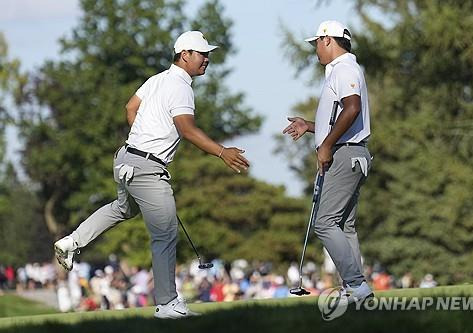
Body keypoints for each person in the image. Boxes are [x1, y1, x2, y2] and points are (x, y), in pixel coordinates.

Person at [54, 30, 250, 318]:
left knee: (123, 208)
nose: (207, 59)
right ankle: (167, 303)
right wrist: (222, 152)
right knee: (165, 234)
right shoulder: (182, 86)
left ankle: (73, 241)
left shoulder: (157, 79)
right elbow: (187, 129)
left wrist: (143, 138)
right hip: (146, 167)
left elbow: (130, 107)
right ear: (185, 55)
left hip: (126, 158)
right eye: (202, 54)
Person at [283, 20, 373, 302]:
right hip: (351, 151)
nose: (315, 51)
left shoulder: (344, 68)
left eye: (316, 45)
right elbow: (342, 116)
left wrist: (326, 144)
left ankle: (356, 285)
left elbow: (352, 108)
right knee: (344, 225)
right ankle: (355, 289)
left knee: (324, 222)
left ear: (327, 41)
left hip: (344, 153)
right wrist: (310, 126)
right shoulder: (341, 69)